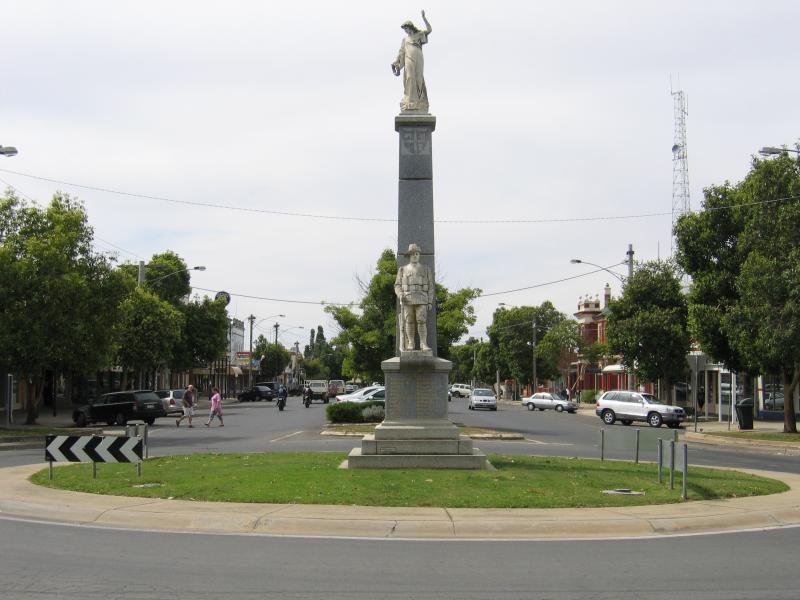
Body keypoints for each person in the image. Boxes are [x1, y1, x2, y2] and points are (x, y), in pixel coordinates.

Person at [394, 243, 434, 351]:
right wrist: (400, 294)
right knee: (409, 321)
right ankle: (411, 343)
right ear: (409, 256)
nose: (415, 256)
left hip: (422, 298)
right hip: (407, 299)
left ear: (419, 255)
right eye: (412, 254)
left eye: (417, 253)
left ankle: (423, 343)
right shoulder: (402, 269)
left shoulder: (426, 269)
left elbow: (431, 287)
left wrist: (430, 301)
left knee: (421, 320)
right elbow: (397, 285)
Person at [391, 11, 432, 113]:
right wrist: (396, 63)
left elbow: (429, 30)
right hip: (408, 58)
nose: (406, 31)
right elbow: (401, 53)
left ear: (411, 27)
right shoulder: (405, 40)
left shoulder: (419, 34)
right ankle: (409, 100)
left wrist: (424, 18)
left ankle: (419, 101)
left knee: (419, 78)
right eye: (404, 29)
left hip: (418, 57)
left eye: (407, 28)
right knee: (409, 77)